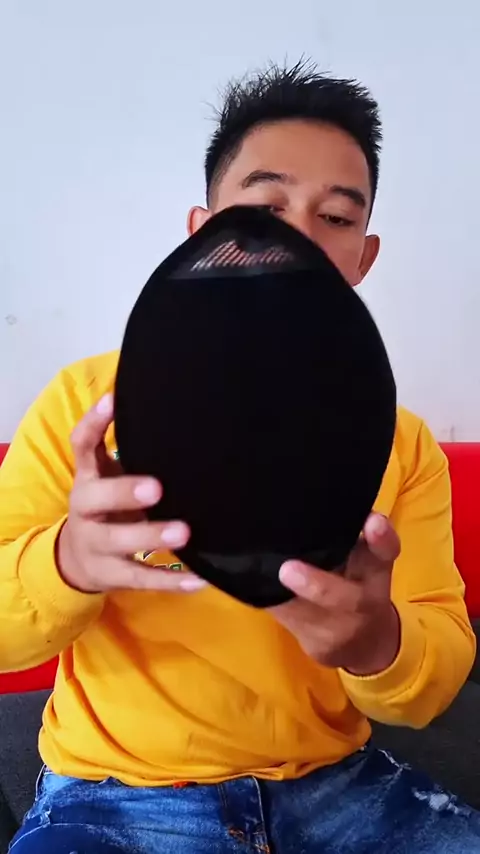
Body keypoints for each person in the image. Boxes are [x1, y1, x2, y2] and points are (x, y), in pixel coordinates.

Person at [1, 61, 479, 854]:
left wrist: (375, 643)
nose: (298, 235)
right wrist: (69, 562)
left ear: (363, 258)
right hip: (116, 797)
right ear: (203, 232)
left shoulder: (399, 441)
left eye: (336, 216)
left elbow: (437, 667)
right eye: (264, 207)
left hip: (339, 790)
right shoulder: (90, 405)